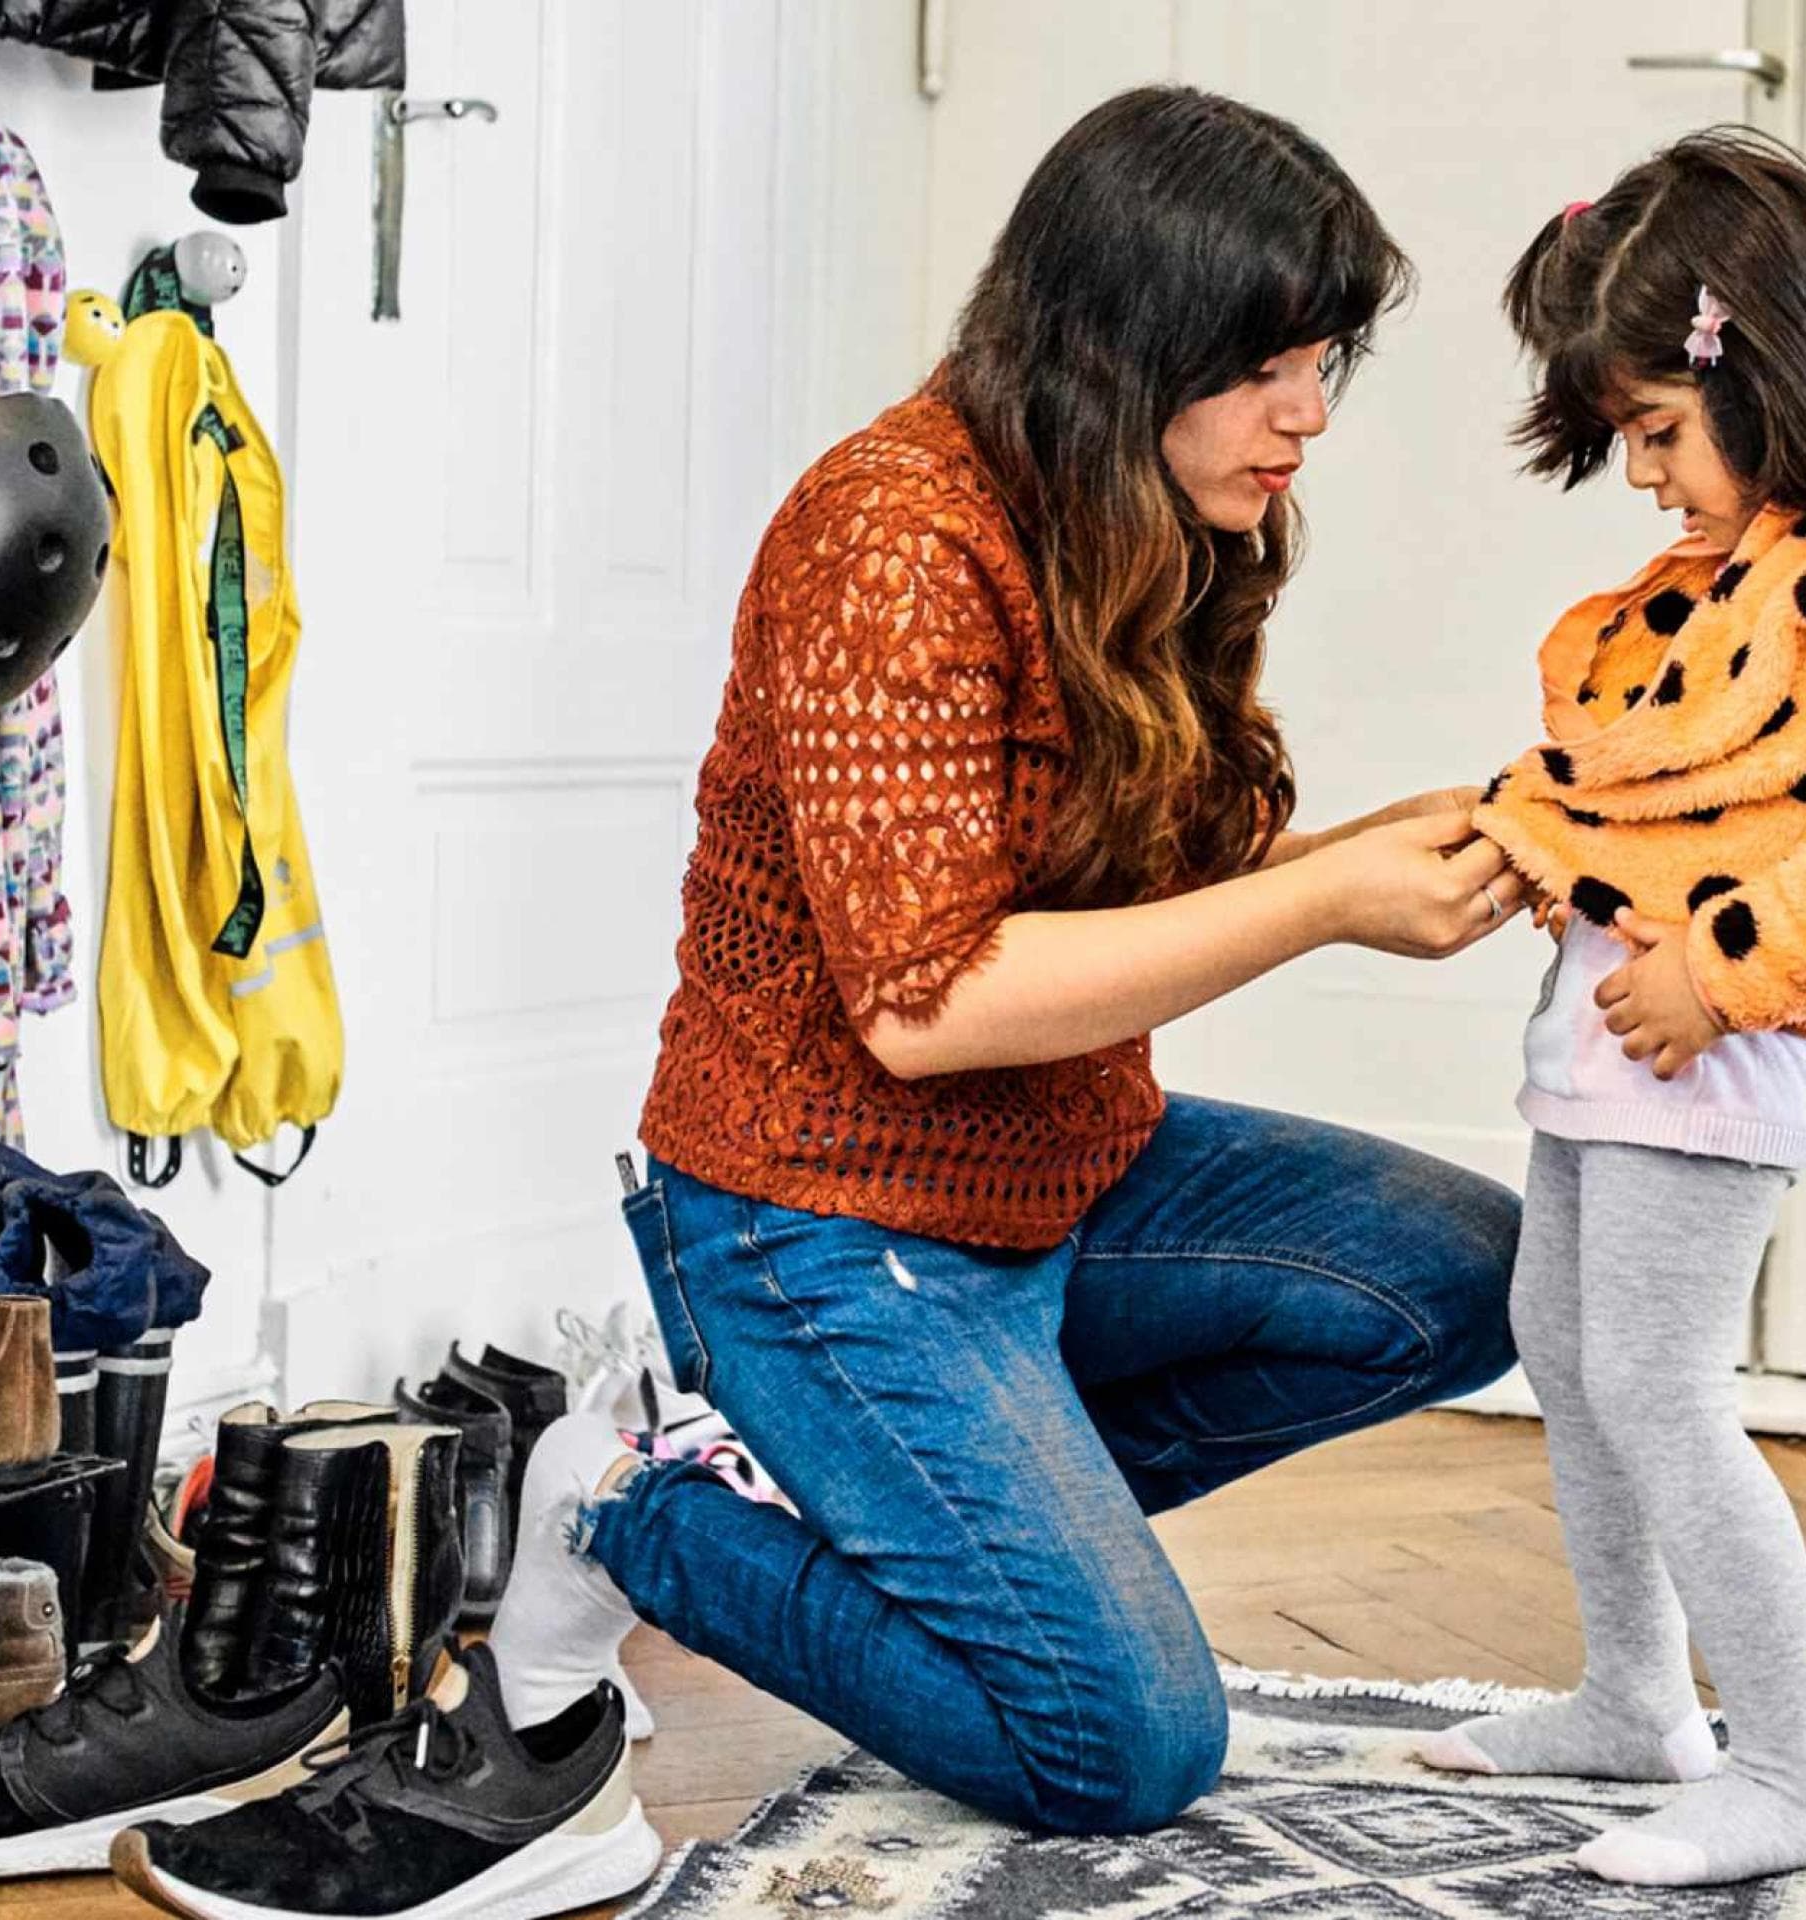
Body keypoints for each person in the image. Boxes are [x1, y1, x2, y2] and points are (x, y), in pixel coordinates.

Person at [488, 85, 1521, 1835]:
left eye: (1327, 359)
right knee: (1119, 1752)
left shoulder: (1150, 520)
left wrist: (1420, 833)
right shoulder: (891, 539)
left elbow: (1164, 887)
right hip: (814, 1216)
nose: (1310, 415)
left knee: (1474, 1267)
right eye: (1268, 364)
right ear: (1132, 335)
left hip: (1055, 1175)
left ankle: (956, 1541)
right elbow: (927, 1008)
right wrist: (1331, 905)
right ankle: (628, 1503)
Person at [1416, 129, 1806, 1889]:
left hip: (1707, 1060)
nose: (1645, 478)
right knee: (1565, 1352)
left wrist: (1715, 970)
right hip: (1605, 1053)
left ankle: (1795, 1761)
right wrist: (1512, 838)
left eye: (1660, 430)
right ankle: (1635, 1697)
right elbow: (1620, 778)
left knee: (1659, 1379)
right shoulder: (1688, 596)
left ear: (1765, 364)